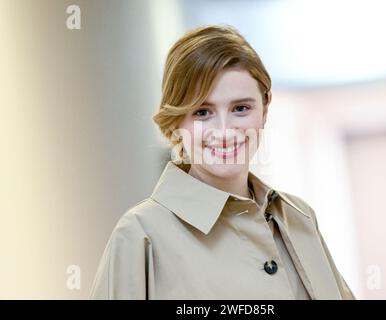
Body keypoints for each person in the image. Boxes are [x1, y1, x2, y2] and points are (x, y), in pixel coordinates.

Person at [89, 24, 355, 300]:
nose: (225, 130)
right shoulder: (139, 235)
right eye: (203, 112)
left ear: (265, 108)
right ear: (176, 120)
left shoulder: (299, 217)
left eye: (241, 108)